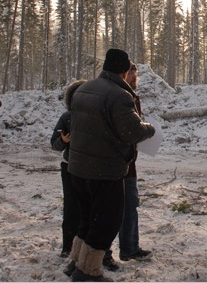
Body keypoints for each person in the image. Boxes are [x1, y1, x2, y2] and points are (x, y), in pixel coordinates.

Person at [66, 49, 155, 282]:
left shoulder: (84, 89)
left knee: (86, 220)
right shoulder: (119, 95)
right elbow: (132, 131)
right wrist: (150, 128)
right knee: (105, 223)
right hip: (103, 171)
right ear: (124, 71)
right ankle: (88, 272)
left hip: (77, 167)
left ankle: (76, 262)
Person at [117, 62, 153, 262]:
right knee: (112, 208)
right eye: (131, 73)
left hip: (129, 161)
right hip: (117, 162)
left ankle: (130, 247)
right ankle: (104, 253)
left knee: (131, 205)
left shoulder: (132, 97)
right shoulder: (120, 97)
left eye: (136, 74)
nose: (134, 77)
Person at [50, 79, 86, 259]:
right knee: (71, 208)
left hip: (91, 168)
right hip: (70, 167)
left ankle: (85, 247)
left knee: (88, 208)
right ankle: (68, 246)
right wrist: (63, 141)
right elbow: (54, 145)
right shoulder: (67, 118)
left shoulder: (95, 116)